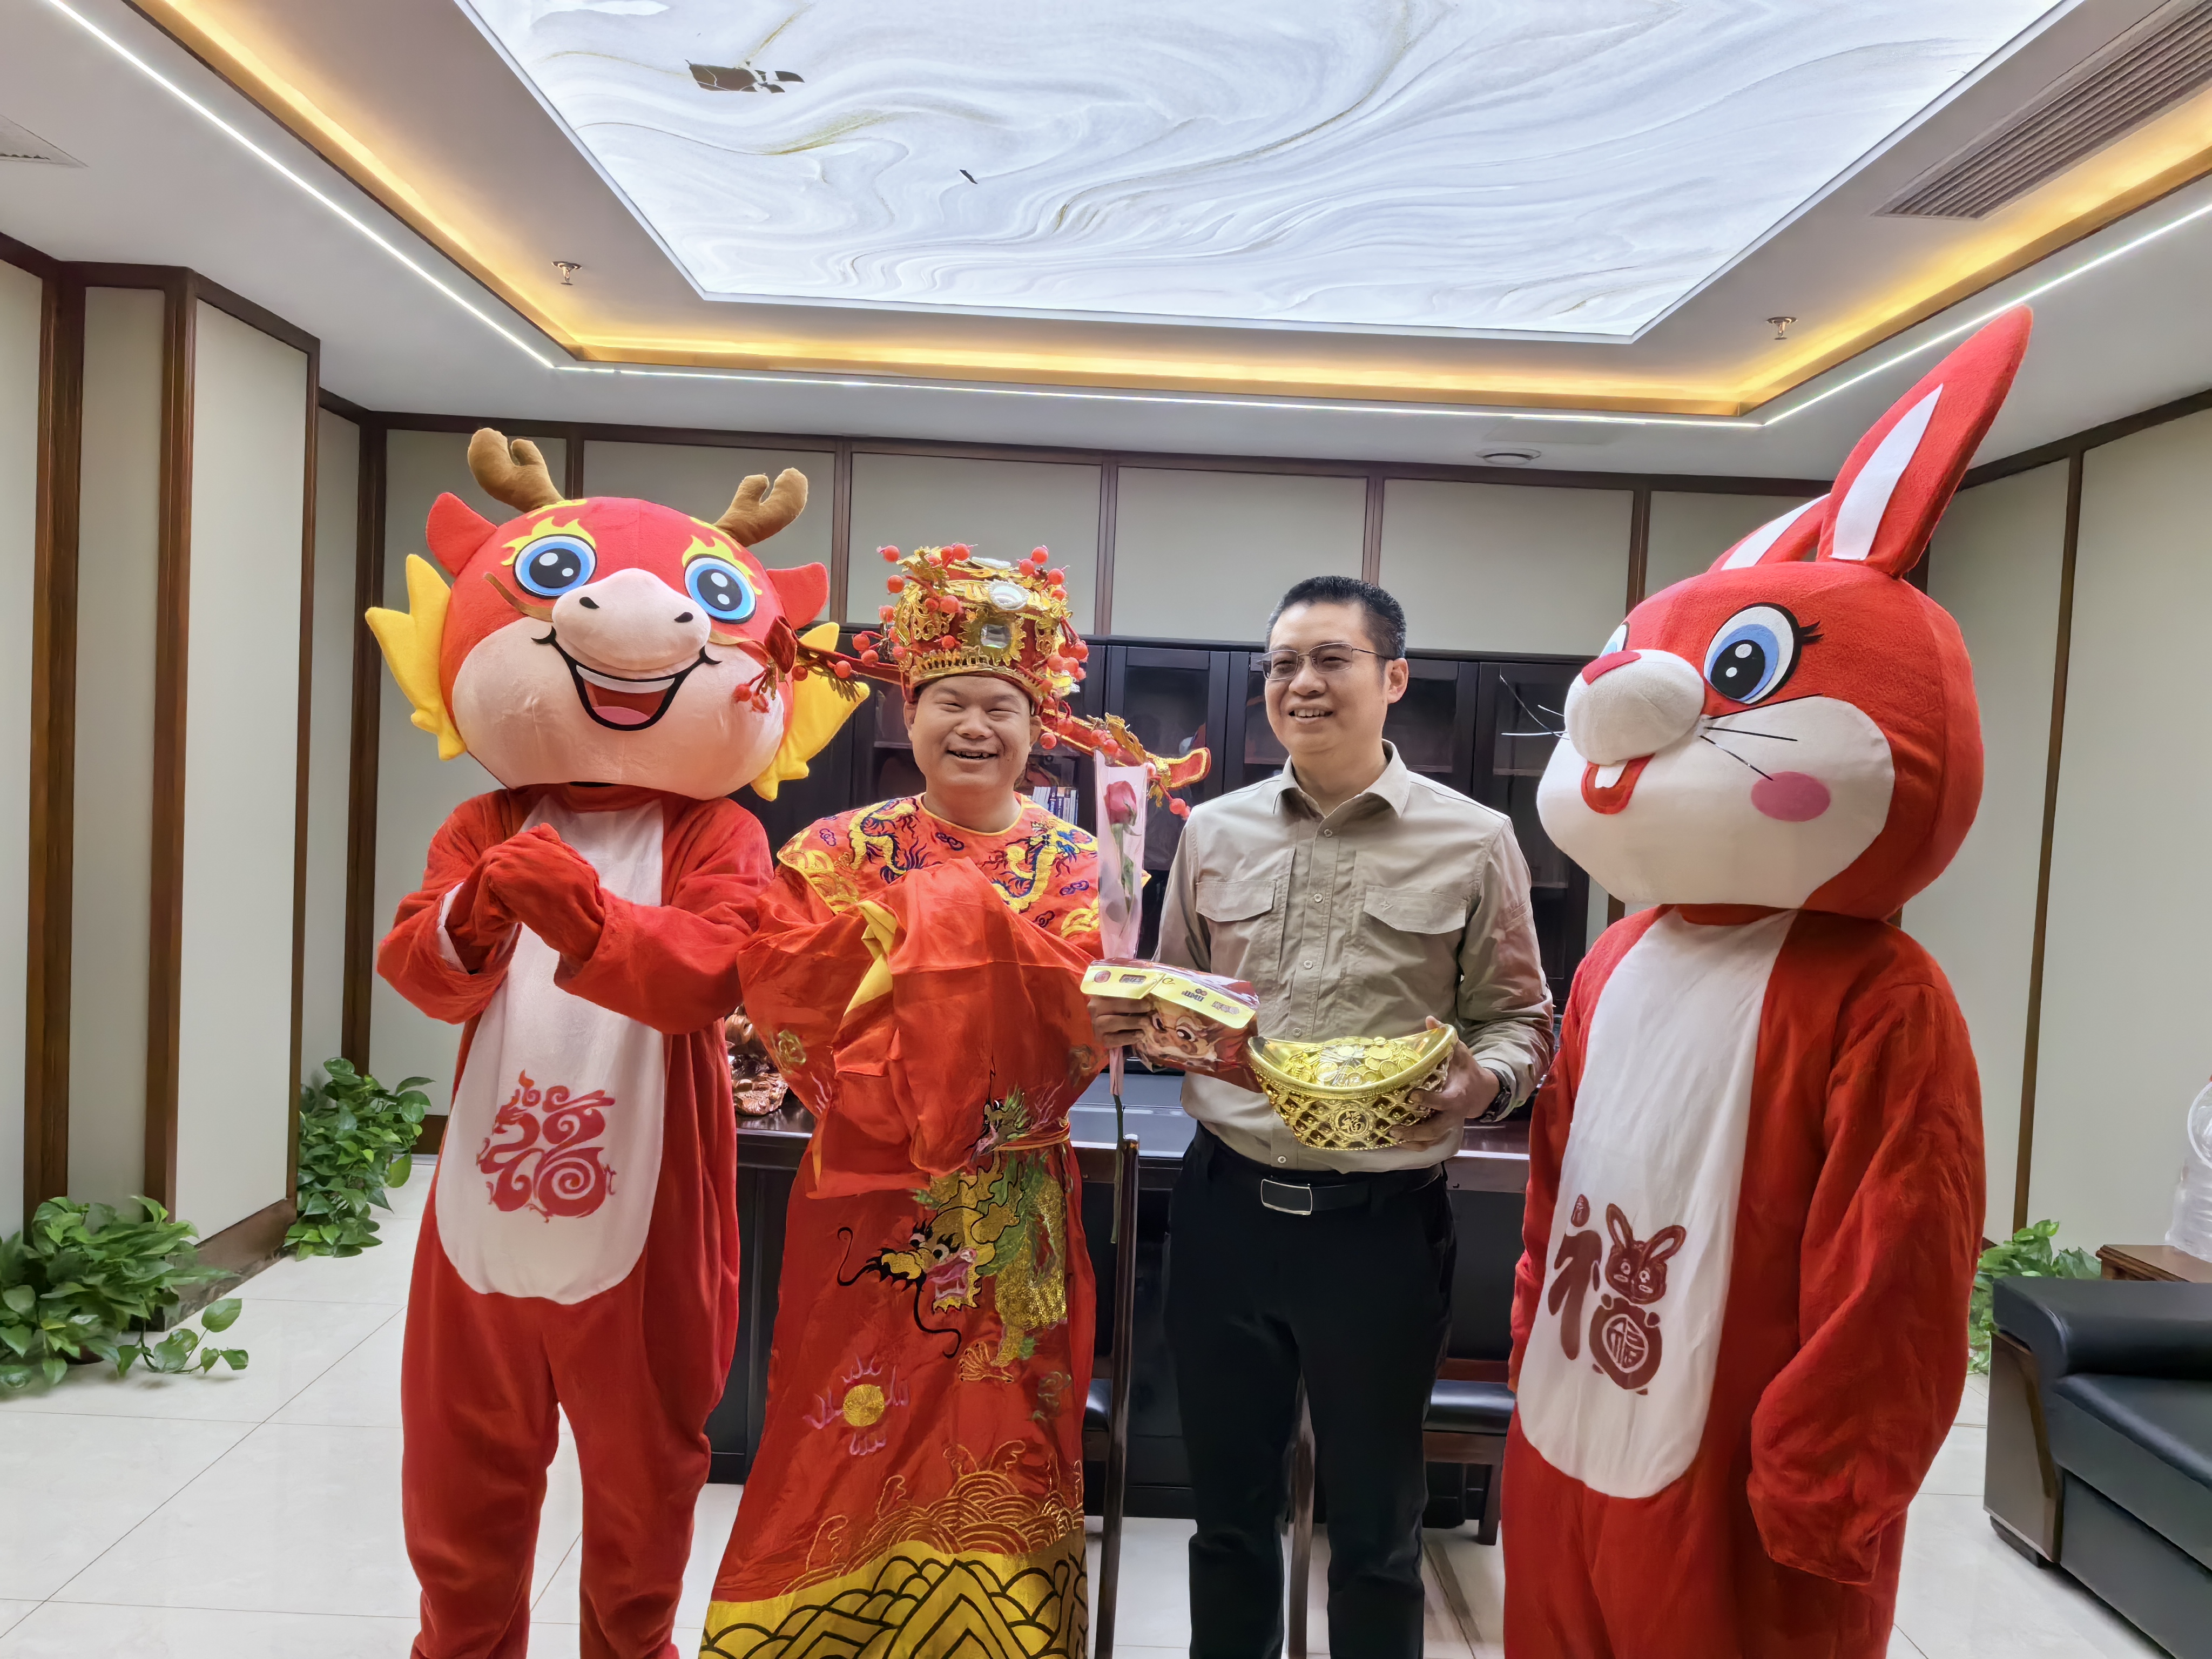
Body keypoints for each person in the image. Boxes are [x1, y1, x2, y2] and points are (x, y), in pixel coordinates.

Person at [370, 431, 859, 1658]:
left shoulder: (716, 835)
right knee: (459, 1474)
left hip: (648, 1212)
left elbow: (713, 974)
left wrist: (586, 917)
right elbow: (420, 973)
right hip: (480, 1206)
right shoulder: (485, 819)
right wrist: (477, 910)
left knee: (644, 1482)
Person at [697, 544, 1204, 1658]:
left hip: (1016, 1193)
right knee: (843, 1417)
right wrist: (956, 931)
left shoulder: (1092, 865)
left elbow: (1082, 1013)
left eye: (1000, 707)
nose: (975, 727)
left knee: (1004, 1430)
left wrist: (925, 939)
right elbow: (786, 992)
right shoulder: (834, 850)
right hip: (870, 1195)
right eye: (951, 702)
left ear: (1038, 726)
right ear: (908, 715)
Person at [1090, 574, 1554, 1658]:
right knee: (1228, 1520)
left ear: (1393, 679)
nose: (1300, 683)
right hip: (1226, 1209)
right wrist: (1138, 1020)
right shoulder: (1211, 832)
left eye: (1330, 660)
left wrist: (1482, 1085)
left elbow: (1520, 1020)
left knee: (1379, 1532)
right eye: (1282, 665)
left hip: (1380, 1228)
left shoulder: (1474, 838)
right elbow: (1182, 998)